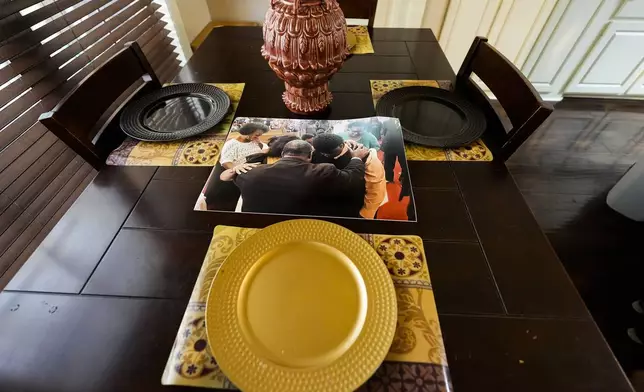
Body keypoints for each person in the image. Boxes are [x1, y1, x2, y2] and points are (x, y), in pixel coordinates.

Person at [221, 140, 368, 217]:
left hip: (257, 226)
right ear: (310, 156)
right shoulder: (324, 171)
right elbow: (352, 178)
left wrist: (234, 169)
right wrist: (356, 158)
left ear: (283, 153)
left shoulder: (250, 172)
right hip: (303, 226)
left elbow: (225, 177)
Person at [311, 133, 386, 219]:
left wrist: (366, 214)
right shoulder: (317, 152)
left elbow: (375, 188)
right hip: (327, 206)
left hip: (355, 206)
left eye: (330, 151)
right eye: (323, 153)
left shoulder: (365, 156)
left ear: (342, 145)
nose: (326, 155)